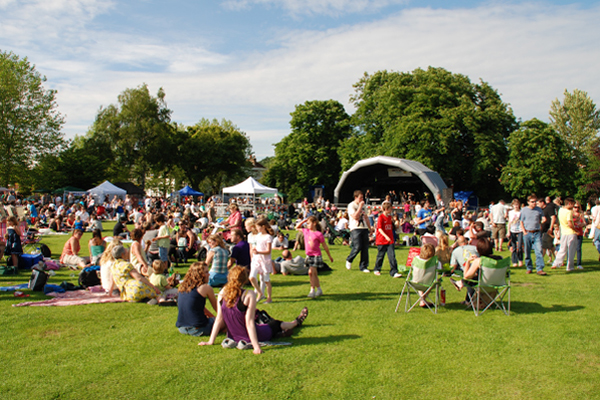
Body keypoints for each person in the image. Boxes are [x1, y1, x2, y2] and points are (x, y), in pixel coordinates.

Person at [198, 266, 308, 354]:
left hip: (233, 336)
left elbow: (219, 319)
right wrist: (256, 347)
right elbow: (249, 322)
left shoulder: (222, 293)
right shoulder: (248, 294)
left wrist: (210, 341)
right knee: (275, 324)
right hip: (250, 336)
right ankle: (295, 322)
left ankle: (283, 331)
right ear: (244, 280)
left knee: (266, 323)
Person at [295, 215, 334, 298]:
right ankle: (319, 289)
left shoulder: (318, 234)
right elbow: (296, 227)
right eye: (307, 224)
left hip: (316, 255)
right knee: (312, 273)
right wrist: (304, 221)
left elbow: (325, 246)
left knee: (312, 271)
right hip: (309, 255)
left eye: (309, 223)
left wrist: (329, 256)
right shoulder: (306, 231)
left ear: (314, 223)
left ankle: (312, 290)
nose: (307, 225)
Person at [176, 262, 218, 336]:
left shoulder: (183, 287)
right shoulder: (206, 288)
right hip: (199, 328)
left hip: (182, 328)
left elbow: (195, 305)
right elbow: (218, 309)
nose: (209, 274)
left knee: (214, 320)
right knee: (224, 323)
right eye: (206, 272)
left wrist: (212, 316)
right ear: (200, 275)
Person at [520, 194, 546, 275]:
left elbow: (543, 218)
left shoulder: (539, 209)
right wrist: (524, 232)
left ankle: (539, 268)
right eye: (532, 202)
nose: (534, 203)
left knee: (539, 251)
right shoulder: (524, 210)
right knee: (527, 252)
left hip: (537, 232)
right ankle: (529, 267)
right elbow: (521, 221)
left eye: (535, 202)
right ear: (528, 202)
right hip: (528, 232)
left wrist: (542, 221)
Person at [345, 190, 371, 273]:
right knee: (358, 246)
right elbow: (355, 217)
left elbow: (366, 217)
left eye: (362, 198)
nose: (362, 199)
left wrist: (370, 228)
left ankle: (364, 266)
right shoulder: (351, 205)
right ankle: (349, 259)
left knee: (365, 248)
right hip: (355, 227)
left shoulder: (364, 206)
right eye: (360, 198)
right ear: (356, 198)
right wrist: (360, 207)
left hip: (364, 227)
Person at [374, 202, 401, 278]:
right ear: (386, 209)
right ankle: (377, 269)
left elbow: (391, 228)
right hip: (382, 240)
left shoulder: (389, 217)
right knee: (380, 255)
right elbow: (379, 228)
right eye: (390, 208)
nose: (391, 210)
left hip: (390, 240)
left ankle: (394, 272)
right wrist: (386, 236)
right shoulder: (381, 217)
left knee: (392, 256)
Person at [250, 219, 274, 303]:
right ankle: (260, 293)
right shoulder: (258, 235)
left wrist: (258, 251)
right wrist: (255, 249)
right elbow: (258, 246)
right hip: (257, 259)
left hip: (265, 260)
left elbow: (268, 251)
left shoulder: (268, 237)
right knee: (251, 277)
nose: (256, 229)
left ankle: (269, 298)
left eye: (258, 227)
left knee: (266, 280)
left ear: (263, 227)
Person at [551, 198, 577, 272]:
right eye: (572, 204)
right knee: (571, 251)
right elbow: (570, 224)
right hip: (571, 233)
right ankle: (570, 267)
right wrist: (576, 230)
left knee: (562, 249)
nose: (573, 206)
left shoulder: (560, 210)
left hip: (563, 233)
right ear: (569, 203)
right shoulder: (569, 212)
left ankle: (556, 263)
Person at [507, 199, 524, 268]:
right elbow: (509, 222)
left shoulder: (521, 212)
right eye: (515, 205)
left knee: (519, 246)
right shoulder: (511, 212)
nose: (516, 206)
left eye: (517, 205)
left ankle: (520, 259)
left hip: (520, 230)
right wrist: (508, 231)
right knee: (513, 247)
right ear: (513, 205)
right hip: (512, 230)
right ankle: (514, 261)